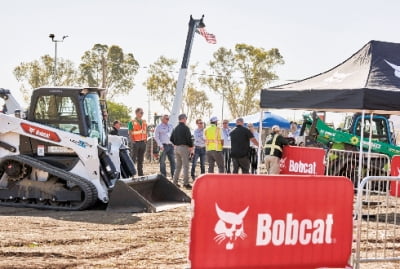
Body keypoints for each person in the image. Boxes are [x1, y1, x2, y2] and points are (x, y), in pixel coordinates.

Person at [170, 114, 193, 189]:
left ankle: (174, 182)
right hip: (184, 148)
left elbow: (171, 139)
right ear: (183, 119)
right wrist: (191, 146)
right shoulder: (186, 128)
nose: (186, 119)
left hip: (177, 148)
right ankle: (186, 183)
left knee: (178, 166)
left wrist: (176, 144)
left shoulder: (175, 128)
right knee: (186, 166)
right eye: (186, 118)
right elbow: (189, 138)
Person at [128, 108, 147, 176]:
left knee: (141, 160)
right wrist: (132, 141)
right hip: (136, 142)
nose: (142, 114)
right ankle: (131, 173)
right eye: (141, 112)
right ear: (136, 113)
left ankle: (140, 174)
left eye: (142, 113)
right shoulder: (132, 122)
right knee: (133, 159)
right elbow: (130, 132)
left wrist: (145, 140)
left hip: (142, 143)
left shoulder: (144, 121)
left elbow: (145, 131)